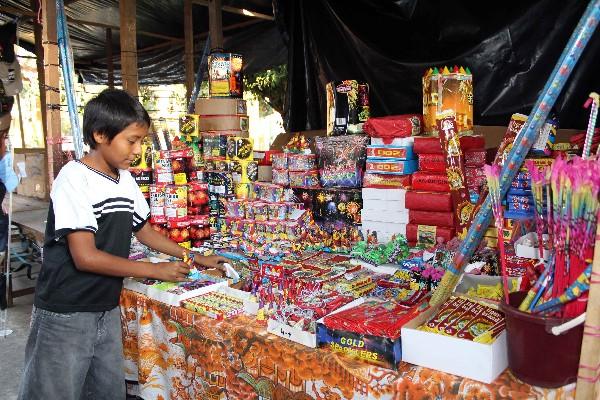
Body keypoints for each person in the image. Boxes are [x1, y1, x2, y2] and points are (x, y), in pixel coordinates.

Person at [17, 89, 229, 400]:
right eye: (131, 140)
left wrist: (194, 256)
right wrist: (155, 269)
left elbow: (144, 231)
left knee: (105, 391)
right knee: (53, 392)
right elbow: (85, 257)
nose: (138, 150)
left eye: (141, 141)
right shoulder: (74, 179)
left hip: (105, 306)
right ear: (100, 134)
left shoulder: (124, 179)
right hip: (66, 310)